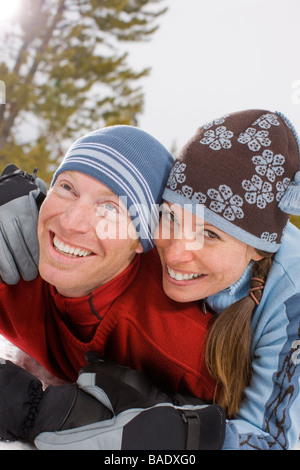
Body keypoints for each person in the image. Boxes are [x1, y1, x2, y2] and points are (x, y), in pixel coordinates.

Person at [0, 125, 224, 450]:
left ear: (142, 240)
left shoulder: (181, 342)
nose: (70, 222)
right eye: (67, 188)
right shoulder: (14, 260)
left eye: (110, 209)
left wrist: (176, 433)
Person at [156, 108, 300, 450]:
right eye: (172, 218)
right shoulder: (153, 234)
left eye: (210, 234)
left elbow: (272, 442)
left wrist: (173, 440)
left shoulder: (291, 303)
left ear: (258, 250)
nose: (175, 253)